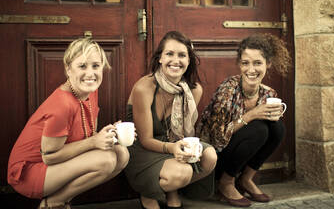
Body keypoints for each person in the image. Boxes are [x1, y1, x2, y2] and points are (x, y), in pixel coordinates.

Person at [7, 38, 130, 209]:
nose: (90, 73)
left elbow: (88, 135)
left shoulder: (90, 91)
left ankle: (59, 200)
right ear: (68, 69)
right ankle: (54, 203)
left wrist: (109, 134)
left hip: (57, 164)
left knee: (122, 154)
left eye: (96, 66)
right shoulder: (62, 104)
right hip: (29, 172)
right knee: (106, 159)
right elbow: (49, 156)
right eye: (82, 66)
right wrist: (95, 142)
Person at [196, 33, 292, 207]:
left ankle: (245, 179)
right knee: (258, 129)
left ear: (268, 64)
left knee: (278, 127)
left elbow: (270, 133)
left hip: (238, 156)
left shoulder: (268, 94)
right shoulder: (228, 90)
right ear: (239, 64)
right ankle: (225, 182)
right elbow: (217, 137)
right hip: (213, 157)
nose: (251, 70)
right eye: (245, 63)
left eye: (257, 63)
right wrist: (252, 114)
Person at [124, 31, 217, 209]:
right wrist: (174, 148)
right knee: (181, 173)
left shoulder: (194, 91)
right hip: (143, 148)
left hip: (173, 143)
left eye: (182, 55)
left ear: (189, 60)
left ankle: (172, 190)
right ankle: (148, 190)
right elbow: (145, 140)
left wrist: (182, 148)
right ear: (160, 58)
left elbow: (180, 132)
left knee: (209, 156)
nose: (176, 60)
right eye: (169, 54)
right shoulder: (144, 87)